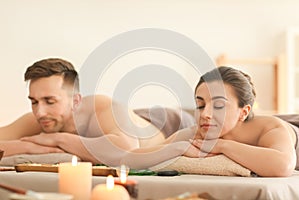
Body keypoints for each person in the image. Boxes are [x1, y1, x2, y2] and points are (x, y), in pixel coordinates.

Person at [0, 58, 194, 166]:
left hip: (171, 122)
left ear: (75, 101)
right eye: (33, 102)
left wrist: (57, 139)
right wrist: (30, 147)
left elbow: (124, 149)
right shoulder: (43, 118)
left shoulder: (100, 108)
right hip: (129, 120)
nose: (40, 111)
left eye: (50, 101)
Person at [121, 66, 299, 177]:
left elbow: (282, 166)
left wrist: (221, 146)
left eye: (219, 106)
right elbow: (131, 159)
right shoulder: (198, 132)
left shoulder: (271, 128)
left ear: (243, 112)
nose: (205, 114)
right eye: (200, 105)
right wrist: (178, 147)